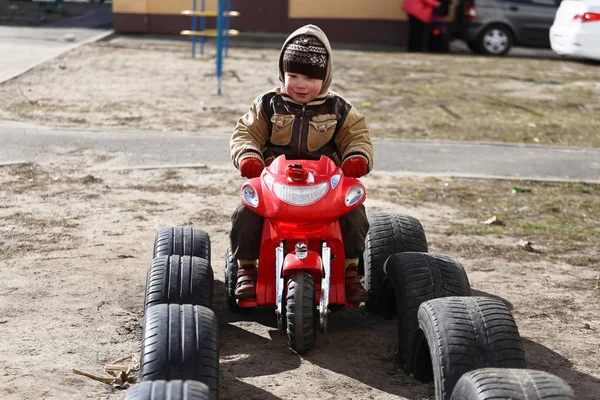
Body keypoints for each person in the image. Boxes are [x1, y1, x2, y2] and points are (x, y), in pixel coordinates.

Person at [229, 24, 374, 303]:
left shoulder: (339, 109)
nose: (299, 84)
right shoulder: (268, 104)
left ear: (325, 78)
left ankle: (350, 268)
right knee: (245, 214)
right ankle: (247, 267)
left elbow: (357, 135)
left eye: (309, 77)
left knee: (355, 215)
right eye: (292, 75)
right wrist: (248, 155)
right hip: (275, 183)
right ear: (282, 74)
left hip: (326, 186)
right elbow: (245, 132)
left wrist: (357, 157)